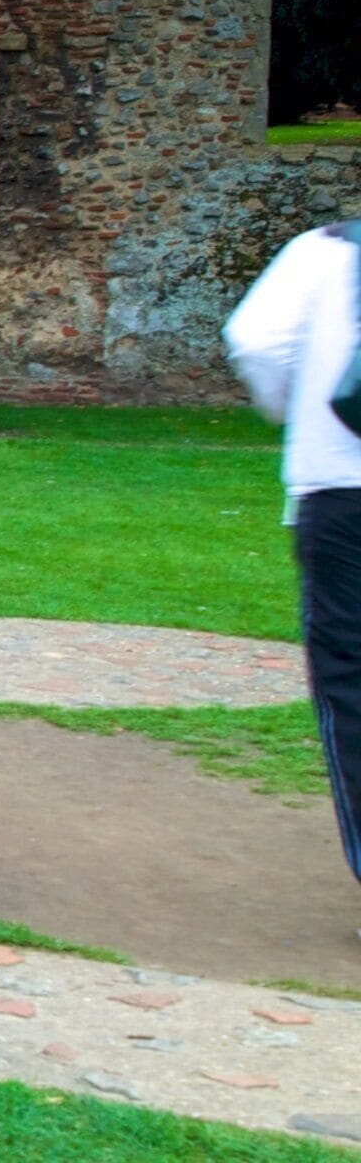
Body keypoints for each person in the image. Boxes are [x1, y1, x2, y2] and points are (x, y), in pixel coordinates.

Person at [229, 221, 361, 886]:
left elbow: (257, 341)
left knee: (352, 680)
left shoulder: (326, 253)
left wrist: (291, 409)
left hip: (341, 488)